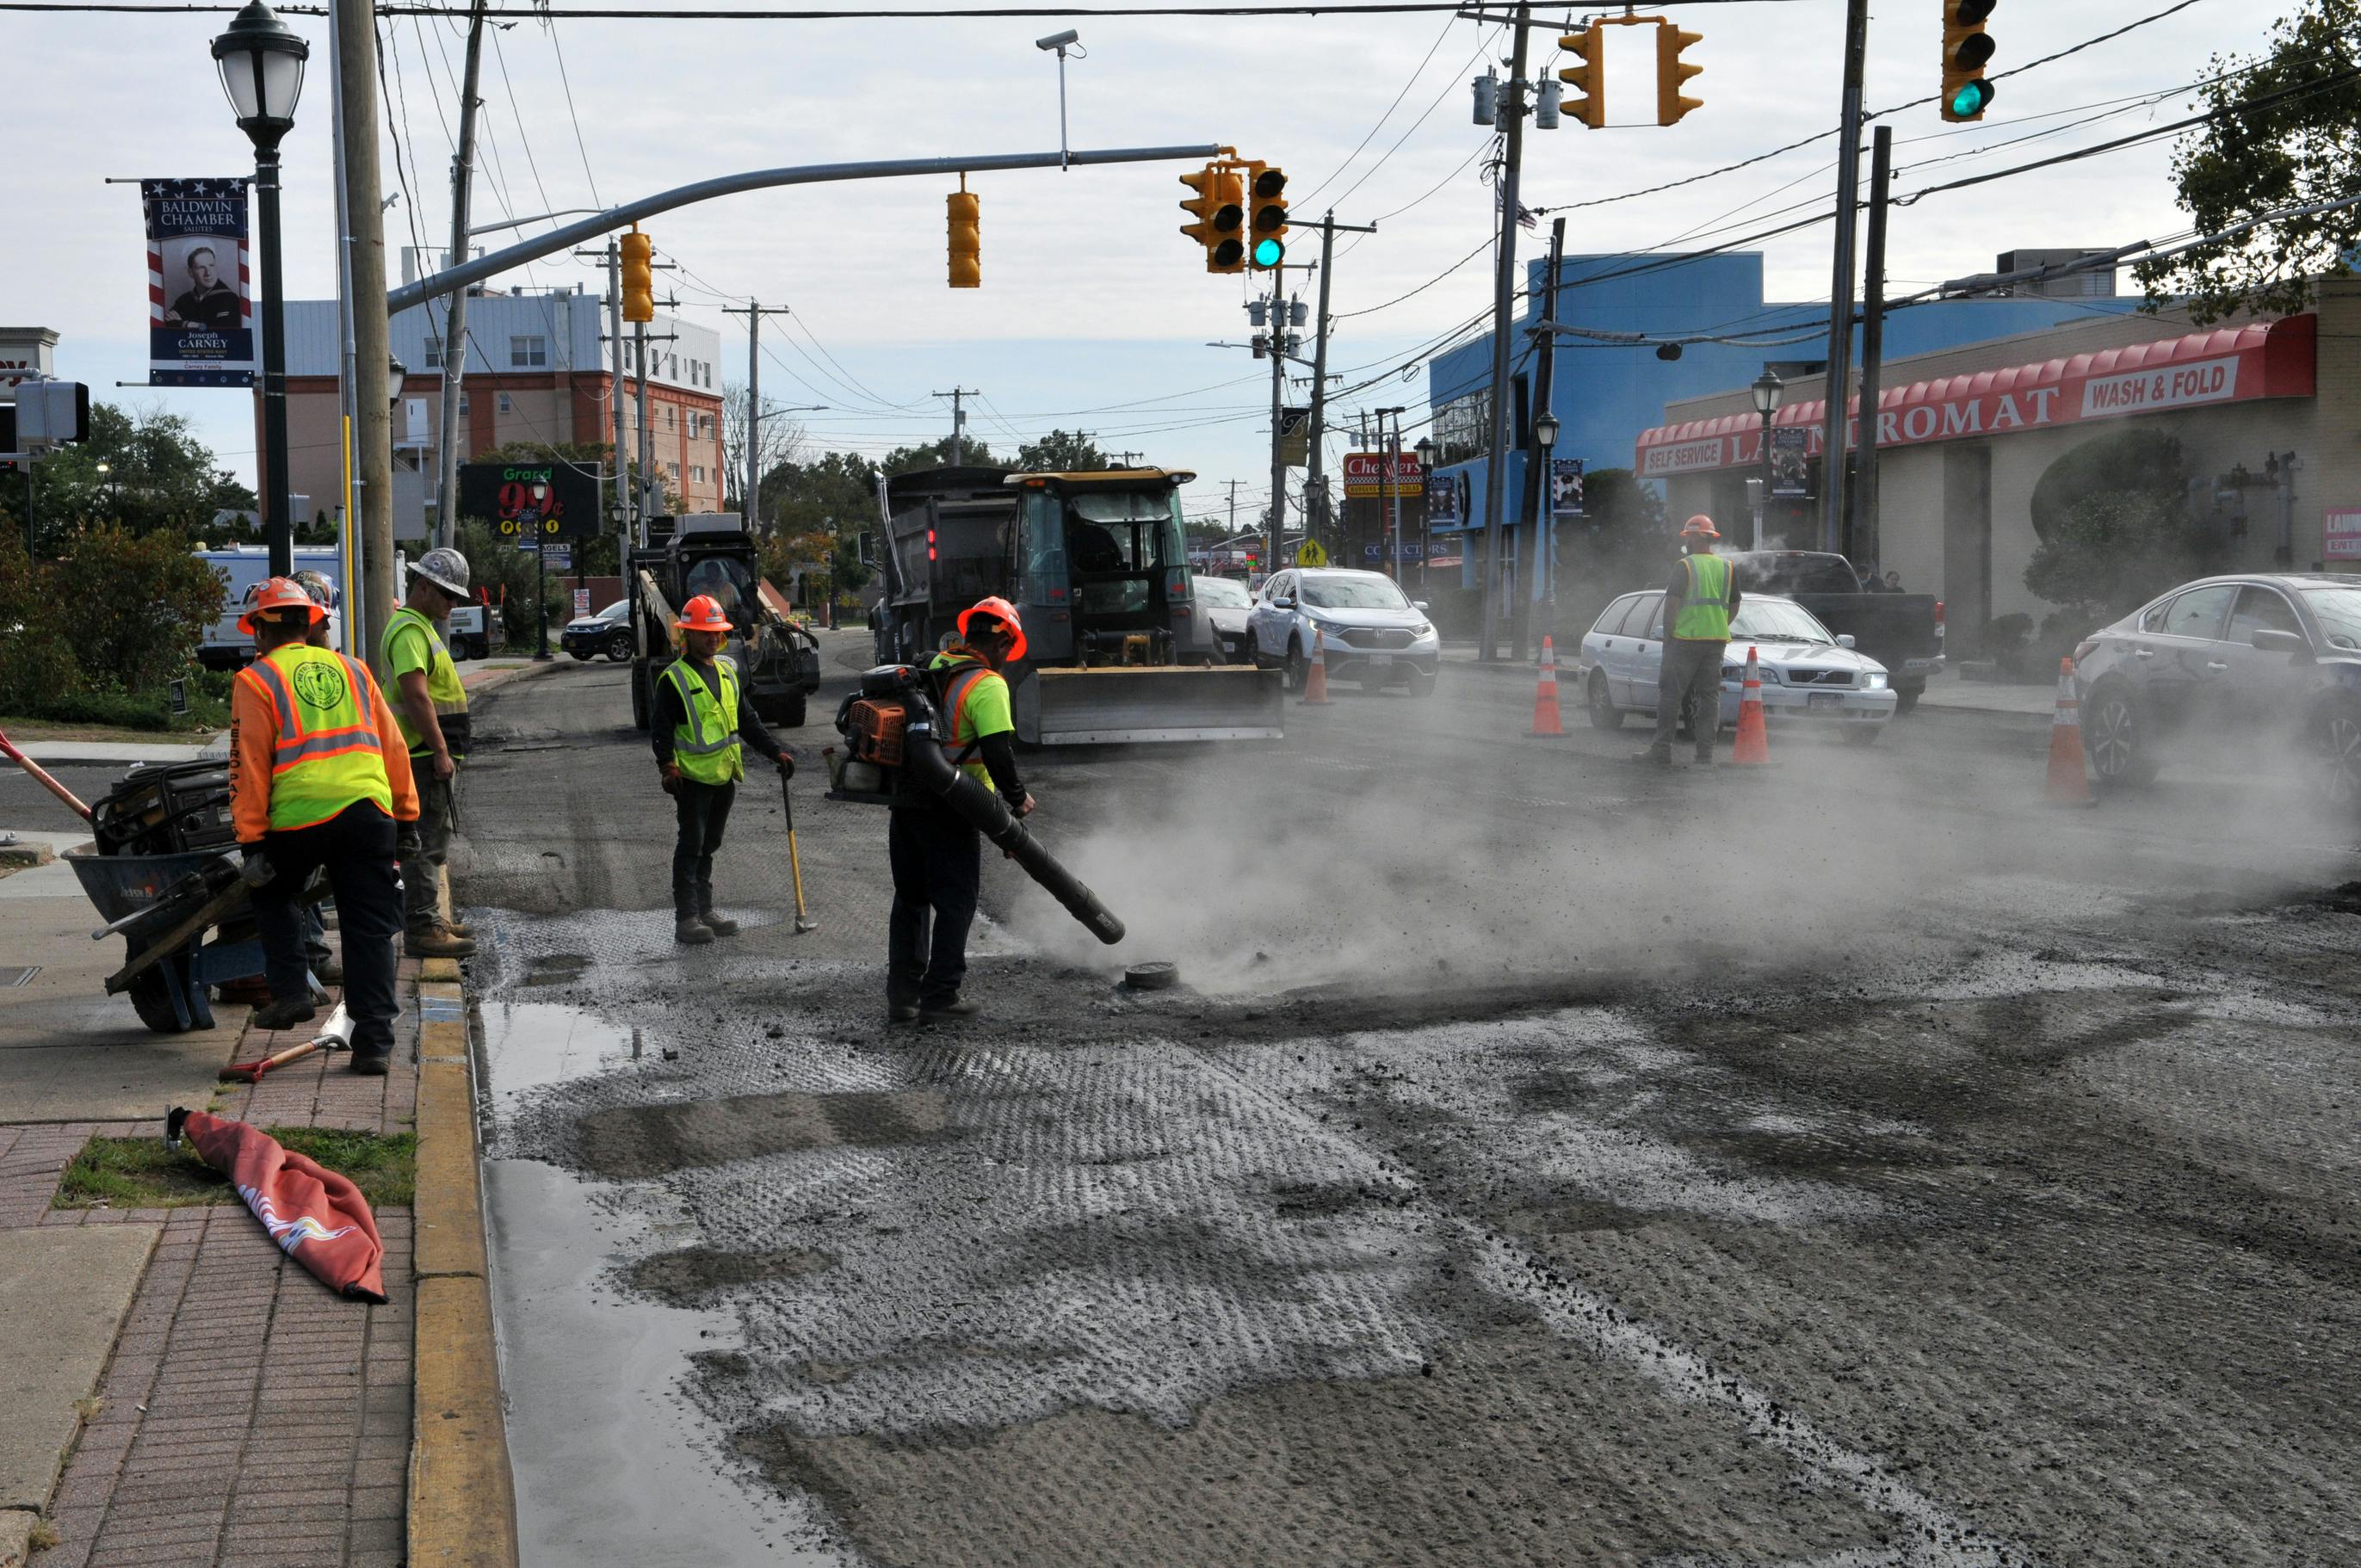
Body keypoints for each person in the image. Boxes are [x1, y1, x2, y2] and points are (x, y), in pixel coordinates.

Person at [227, 577, 417, 1075]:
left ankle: (291, 991)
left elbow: (248, 766)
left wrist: (251, 842)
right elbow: (392, 747)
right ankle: (374, 1046)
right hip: (368, 812)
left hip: (300, 818)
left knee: (273, 892)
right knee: (368, 930)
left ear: (260, 631)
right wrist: (407, 816)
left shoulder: (256, 679)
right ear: (311, 625)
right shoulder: (354, 671)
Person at [888, 596, 1035, 1024]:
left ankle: (903, 996)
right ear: (1003, 642)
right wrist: (1016, 798)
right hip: (952, 807)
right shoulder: (988, 684)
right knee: (956, 901)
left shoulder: (933, 668)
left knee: (912, 898)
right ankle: (940, 995)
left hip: (907, 802)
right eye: (1009, 648)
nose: (1007, 657)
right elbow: (996, 751)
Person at [650, 594, 794, 945]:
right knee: (692, 845)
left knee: (710, 844)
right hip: (692, 780)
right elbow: (662, 729)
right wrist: (668, 767)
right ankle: (687, 918)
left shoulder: (727, 672)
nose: (712, 638)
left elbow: (747, 720)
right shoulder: (675, 679)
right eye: (704, 633)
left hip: (724, 775)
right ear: (688, 635)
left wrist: (776, 752)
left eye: (716, 632)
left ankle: (705, 909)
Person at [381, 547, 476, 960]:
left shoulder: (419, 627)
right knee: (425, 844)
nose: (452, 604)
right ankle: (423, 927)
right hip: (422, 755)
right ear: (422, 586)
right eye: (447, 594)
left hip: (424, 753)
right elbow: (416, 695)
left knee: (432, 840)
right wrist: (439, 749)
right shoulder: (410, 632)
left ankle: (429, 917)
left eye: (456, 597)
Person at [1638, 515, 1742, 767]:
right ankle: (1704, 756)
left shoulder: (1684, 566)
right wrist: (1718, 624)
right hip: (1715, 642)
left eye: (1688, 536)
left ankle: (1662, 751)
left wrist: (1668, 639)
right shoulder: (1727, 567)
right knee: (1709, 698)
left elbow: (1671, 605)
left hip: (1684, 641)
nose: (1686, 541)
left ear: (1696, 537)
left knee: (1671, 695)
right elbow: (1735, 603)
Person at [164, 246, 241, 333]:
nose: (208, 273)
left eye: (211, 266)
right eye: (201, 267)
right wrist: (196, 325)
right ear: (191, 273)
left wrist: (187, 324)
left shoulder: (230, 299)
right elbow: (168, 323)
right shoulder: (184, 300)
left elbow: (222, 330)